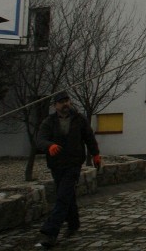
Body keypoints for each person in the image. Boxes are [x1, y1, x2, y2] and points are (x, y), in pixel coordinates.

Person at [35, 90, 101, 248]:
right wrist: (49, 145)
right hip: (56, 164)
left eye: (67, 100)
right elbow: (40, 139)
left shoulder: (79, 119)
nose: (65, 104)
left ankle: (49, 233)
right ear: (55, 105)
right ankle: (73, 223)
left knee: (63, 196)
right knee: (67, 195)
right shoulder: (49, 122)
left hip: (73, 163)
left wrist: (96, 154)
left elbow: (89, 137)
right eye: (61, 101)